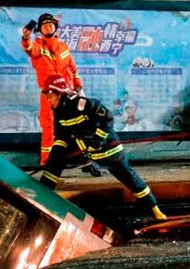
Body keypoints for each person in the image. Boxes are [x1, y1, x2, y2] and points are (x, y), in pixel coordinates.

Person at [37, 76, 167, 220]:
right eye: (46, 96)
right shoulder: (59, 112)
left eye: (50, 95)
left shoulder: (84, 104)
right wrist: (55, 155)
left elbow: (108, 118)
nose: (48, 99)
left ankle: (155, 210)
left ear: (61, 93)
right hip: (89, 153)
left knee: (130, 179)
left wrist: (98, 140)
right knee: (56, 158)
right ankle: (43, 194)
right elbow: (62, 136)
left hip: (110, 152)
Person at [21, 13, 84, 166]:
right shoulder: (38, 46)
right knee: (49, 126)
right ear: (40, 29)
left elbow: (72, 67)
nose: (49, 28)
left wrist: (78, 85)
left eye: (51, 25)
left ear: (55, 27)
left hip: (68, 93)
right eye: (45, 26)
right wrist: (25, 38)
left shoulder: (63, 46)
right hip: (49, 95)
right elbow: (29, 48)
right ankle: (47, 161)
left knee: (75, 124)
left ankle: (79, 156)